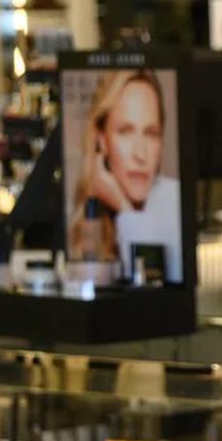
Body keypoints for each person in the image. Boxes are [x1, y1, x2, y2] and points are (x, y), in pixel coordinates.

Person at [68, 70, 181, 283]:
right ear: (102, 140)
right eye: (125, 131)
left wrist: (123, 208)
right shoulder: (79, 217)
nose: (140, 154)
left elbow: (152, 280)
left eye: (151, 133)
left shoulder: (173, 200)